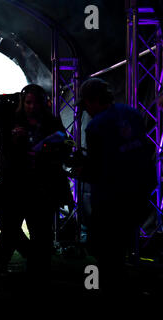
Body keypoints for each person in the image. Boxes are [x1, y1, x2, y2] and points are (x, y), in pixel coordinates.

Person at [0, 84, 72, 284]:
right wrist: (12, 139)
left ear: (43, 103)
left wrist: (51, 149)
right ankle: (1, 266)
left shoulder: (51, 122)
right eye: (28, 102)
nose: (32, 107)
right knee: (10, 231)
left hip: (42, 186)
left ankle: (38, 270)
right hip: (12, 185)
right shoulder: (10, 121)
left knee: (42, 232)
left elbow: (64, 146)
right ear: (22, 103)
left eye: (36, 102)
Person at [77, 78, 156, 293]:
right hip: (138, 192)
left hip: (111, 197)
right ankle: (118, 286)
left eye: (85, 104)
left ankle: (103, 287)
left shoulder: (95, 126)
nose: (86, 110)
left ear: (92, 101)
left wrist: (78, 169)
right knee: (120, 246)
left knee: (101, 248)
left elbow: (95, 169)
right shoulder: (132, 113)